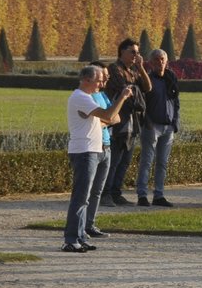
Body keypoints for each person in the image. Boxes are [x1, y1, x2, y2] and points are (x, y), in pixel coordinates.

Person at [64, 65, 135, 253]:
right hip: (84, 152)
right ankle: (71, 239)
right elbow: (109, 115)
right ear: (86, 80)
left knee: (85, 198)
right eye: (98, 80)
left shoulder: (86, 98)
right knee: (80, 197)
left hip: (92, 150)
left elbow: (113, 119)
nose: (101, 84)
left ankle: (79, 236)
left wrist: (108, 114)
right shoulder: (80, 97)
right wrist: (122, 97)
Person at [101, 39, 151, 206]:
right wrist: (135, 92)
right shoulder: (114, 69)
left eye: (137, 52)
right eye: (132, 52)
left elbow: (147, 87)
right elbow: (127, 91)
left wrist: (141, 68)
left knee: (125, 161)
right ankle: (105, 193)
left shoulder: (133, 71)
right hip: (118, 121)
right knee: (114, 161)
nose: (136, 55)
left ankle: (116, 193)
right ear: (122, 51)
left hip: (132, 123)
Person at [136, 49, 179, 207]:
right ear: (151, 62)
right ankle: (142, 195)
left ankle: (158, 195)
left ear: (166, 62)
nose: (159, 62)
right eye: (156, 60)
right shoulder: (147, 79)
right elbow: (141, 104)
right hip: (151, 126)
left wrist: (175, 123)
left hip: (168, 126)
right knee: (147, 162)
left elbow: (176, 102)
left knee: (162, 163)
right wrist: (146, 122)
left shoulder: (171, 78)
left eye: (162, 59)